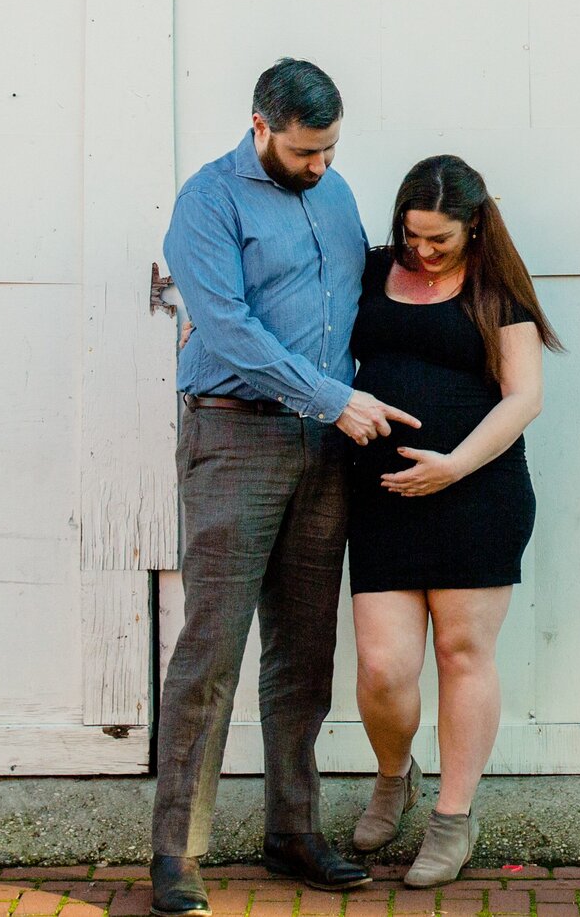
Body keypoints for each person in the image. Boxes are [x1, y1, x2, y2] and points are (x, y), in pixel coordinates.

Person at [151, 59, 421, 916]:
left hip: (327, 444)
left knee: (304, 652)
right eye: (306, 151)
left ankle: (293, 830)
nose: (320, 166)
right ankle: (177, 853)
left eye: (332, 149)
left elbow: (357, 297)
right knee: (212, 650)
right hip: (236, 432)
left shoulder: (336, 195)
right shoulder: (207, 200)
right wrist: (335, 397)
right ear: (260, 125)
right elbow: (226, 327)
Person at [345, 155, 561, 887]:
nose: (423, 251)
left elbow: (522, 397)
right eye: (412, 236)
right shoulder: (372, 270)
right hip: (383, 495)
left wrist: (454, 465)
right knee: (383, 667)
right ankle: (391, 773)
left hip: (478, 494)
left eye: (439, 239)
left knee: (463, 654)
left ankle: (452, 816)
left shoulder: (497, 290)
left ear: (474, 225)